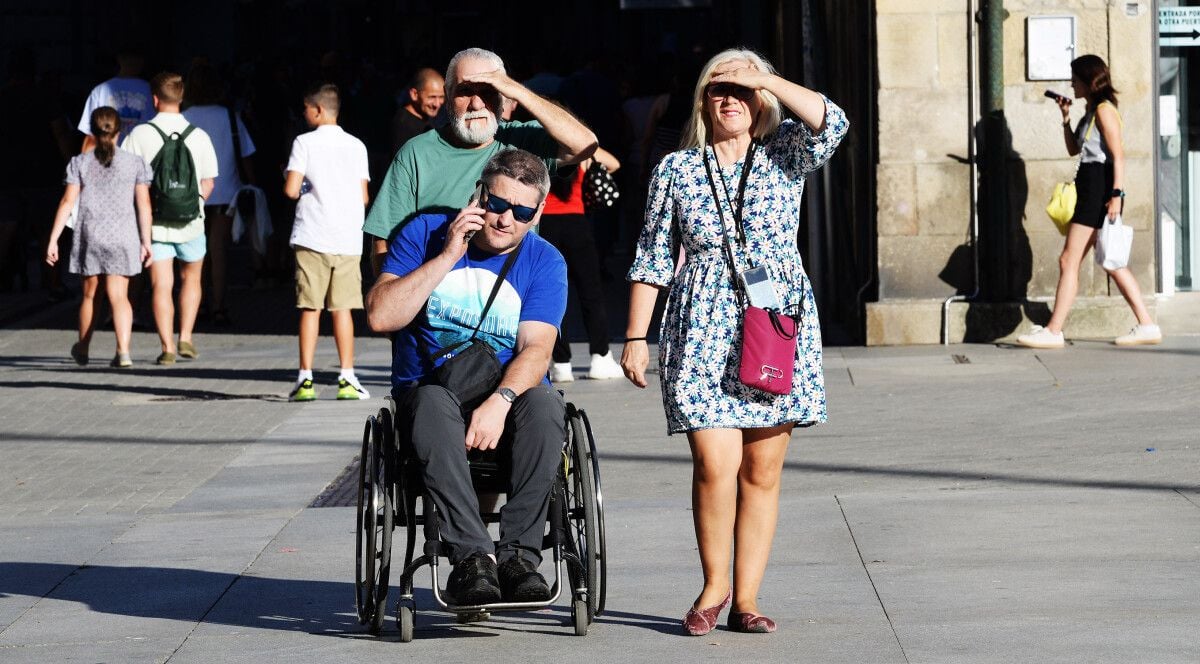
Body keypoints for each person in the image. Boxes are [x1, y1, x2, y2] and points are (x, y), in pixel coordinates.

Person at [621, 48, 848, 635]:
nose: (730, 99)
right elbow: (651, 256)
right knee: (713, 462)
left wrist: (766, 77)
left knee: (762, 471)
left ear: (761, 102)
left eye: (741, 91)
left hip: (774, 322)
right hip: (700, 323)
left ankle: (747, 598)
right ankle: (714, 584)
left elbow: (833, 121)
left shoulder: (785, 154)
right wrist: (635, 335)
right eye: (718, 90)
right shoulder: (677, 169)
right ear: (702, 101)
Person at [365, 149, 567, 605]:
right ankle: (473, 558)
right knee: (433, 403)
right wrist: (448, 255)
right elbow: (380, 316)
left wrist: (501, 400)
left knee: (546, 406)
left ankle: (519, 557)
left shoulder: (545, 261)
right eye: (497, 204)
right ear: (478, 196)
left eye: (521, 211)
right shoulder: (424, 234)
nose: (505, 219)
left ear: (538, 213)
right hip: (433, 390)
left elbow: (537, 348)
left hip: (505, 392)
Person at [363, 47, 597, 275]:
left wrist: (517, 90)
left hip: (508, 302)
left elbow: (585, 145)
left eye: (488, 92)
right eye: (464, 91)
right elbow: (383, 240)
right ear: (448, 94)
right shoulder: (417, 152)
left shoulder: (523, 140)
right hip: (434, 306)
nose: (476, 104)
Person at [1018, 55, 1161, 348]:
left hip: (1098, 188)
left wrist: (1116, 196)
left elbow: (1119, 156)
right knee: (1112, 261)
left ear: (1088, 80)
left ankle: (1054, 331)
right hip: (1090, 186)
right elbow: (1074, 150)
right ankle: (1147, 325)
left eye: (1075, 78)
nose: (1072, 84)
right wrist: (1066, 119)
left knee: (1069, 259)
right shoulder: (1091, 112)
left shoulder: (1106, 111)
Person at [122, 72, 219, 365]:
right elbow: (209, 182)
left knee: (161, 285)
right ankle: (186, 337)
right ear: (181, 98)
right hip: (192, 222)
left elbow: (127, 179)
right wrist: (196, 203)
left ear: (154, 100)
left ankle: (167, 346)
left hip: (156, 223)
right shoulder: (199, 135)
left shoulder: (139, 135)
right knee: (191, 279)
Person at [283, 83, 371, 402]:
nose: (304, 115)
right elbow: (363, 196)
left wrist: (305, 187)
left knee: (310, 307)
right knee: (342, 309)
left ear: (318, 110)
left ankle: (304, 378)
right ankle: (346, 377)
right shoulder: (357, 145)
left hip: (311, 235)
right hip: (347, 237)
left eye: (306, 109)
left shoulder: (303, 142)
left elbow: (291, 189)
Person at [45, 107, 152, 367]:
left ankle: (83, 348)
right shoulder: (134, 163)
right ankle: (123, 350)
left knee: (91, 295)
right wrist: (146, 241)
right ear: (120, 130)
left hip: (91, 235)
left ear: (92, 132)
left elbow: (67, 202)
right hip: (123, 236)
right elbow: (144, 205)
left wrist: (53, 240)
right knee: (120, 296)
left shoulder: (79, 163)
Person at [182, 60, 257, 326]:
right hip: (227, 191)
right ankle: (218, 306)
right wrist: (253, 182)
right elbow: (246, 154)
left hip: (192, 193)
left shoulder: (184, 117)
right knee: (219, 250)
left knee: (195, 251)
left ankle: (197, 305)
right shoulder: (229, 116)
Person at [541, 146, 624, 381]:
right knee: (591, 294)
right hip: (577, 226)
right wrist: (581, 146)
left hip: (545, 227)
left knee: (554, 295)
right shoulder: (581, 155)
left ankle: (561, 362)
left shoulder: (540, 154)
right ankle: (600, 356)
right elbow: (614, 163)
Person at [78, 47, 153, 151]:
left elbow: (90, 136)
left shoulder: (99, 91)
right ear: (142, 61)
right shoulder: (150, 90)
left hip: (106, 160)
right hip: (140, 160)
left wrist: (86, 164)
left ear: (119, 59)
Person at [390, 67, 444, 154]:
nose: (437, 104)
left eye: (441, 97)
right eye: (432, 97)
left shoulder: (425, 117)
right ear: (414, 94)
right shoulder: (403, 125)